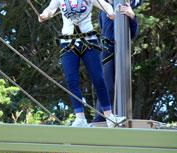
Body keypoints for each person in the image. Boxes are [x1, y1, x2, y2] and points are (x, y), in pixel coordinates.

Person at [39, 0, 126, 128]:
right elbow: (51, 9)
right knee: (71, 80)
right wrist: (44, 15)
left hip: (88, 41)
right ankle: (80, 118)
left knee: (98, 78)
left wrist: (111, 12)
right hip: (68, 43)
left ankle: (109, 116)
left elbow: (105, 5)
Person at [93, 0, 140, 122]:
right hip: (106, 52)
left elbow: (133, 34)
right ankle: (100, 119)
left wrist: (132, 16)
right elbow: (104, 30)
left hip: (120, 51)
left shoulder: (124, 7)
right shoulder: (104, 9)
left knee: (114, 86)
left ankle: (107, 119)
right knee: (106, 86)